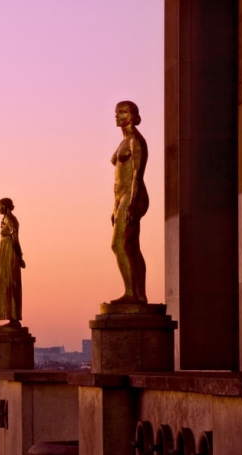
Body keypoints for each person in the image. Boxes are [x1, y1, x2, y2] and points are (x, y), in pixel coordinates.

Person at [110, 100, 148, 304]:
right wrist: (115, 206)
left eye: (123, 112)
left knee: (118, 244)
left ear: (132, 115)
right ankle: (139, 295)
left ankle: (131, 294)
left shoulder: (135, 140)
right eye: (117, 112)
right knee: (131, 246)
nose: (118, 116)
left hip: (134, 196)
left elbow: (136, 176)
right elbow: (118, 179)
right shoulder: (123, 141)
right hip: (122, 197)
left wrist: (131, 205)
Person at [0, 198, 25, 325]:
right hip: (5, 254)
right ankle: (9, 315)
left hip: (10, 254)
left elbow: (15, 240)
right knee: (4, 282)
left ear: (5, 207)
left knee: (10, 283)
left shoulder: (12, 220)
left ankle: (13, 317)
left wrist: (20, 256)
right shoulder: (6, 220)